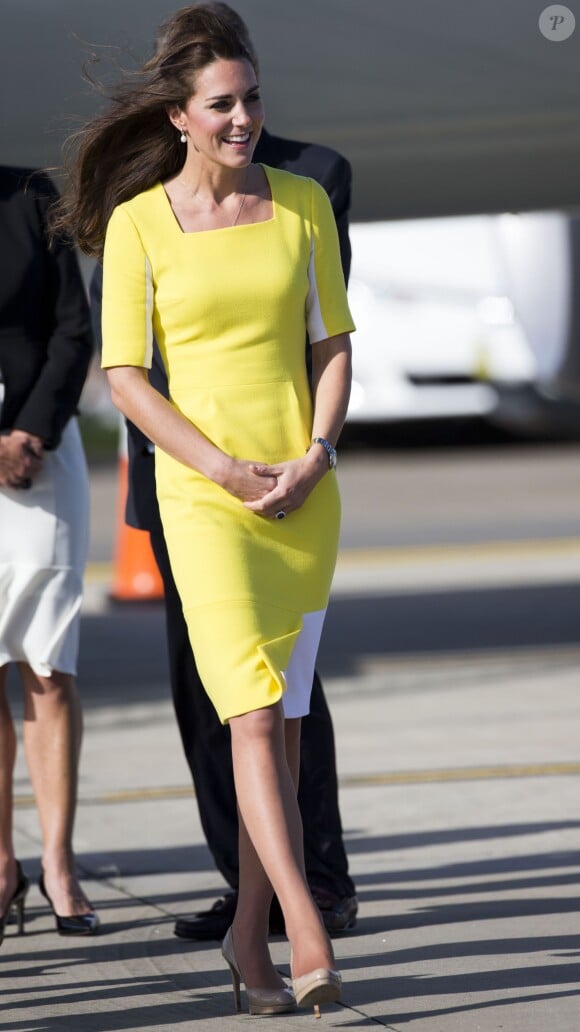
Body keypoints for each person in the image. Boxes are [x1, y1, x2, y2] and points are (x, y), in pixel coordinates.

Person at [55, 1, 354, 1016]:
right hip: (203, 497)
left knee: (294, 722)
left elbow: (332, 345)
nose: (243, 118)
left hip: (302, 499)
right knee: (254, 712)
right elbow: (127, 377)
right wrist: (223, 470)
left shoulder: (304, 203)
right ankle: (301, 925)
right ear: (179, 118)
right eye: (222, 104)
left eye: (253, 97)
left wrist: (315, 456)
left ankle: (246, 940)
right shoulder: (141, 224)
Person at [0, 166, 98, 946]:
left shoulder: (35, 197)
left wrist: (29, 431)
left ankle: (58, 862)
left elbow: (76, 325)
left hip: (42, 448)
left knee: (48, 665)